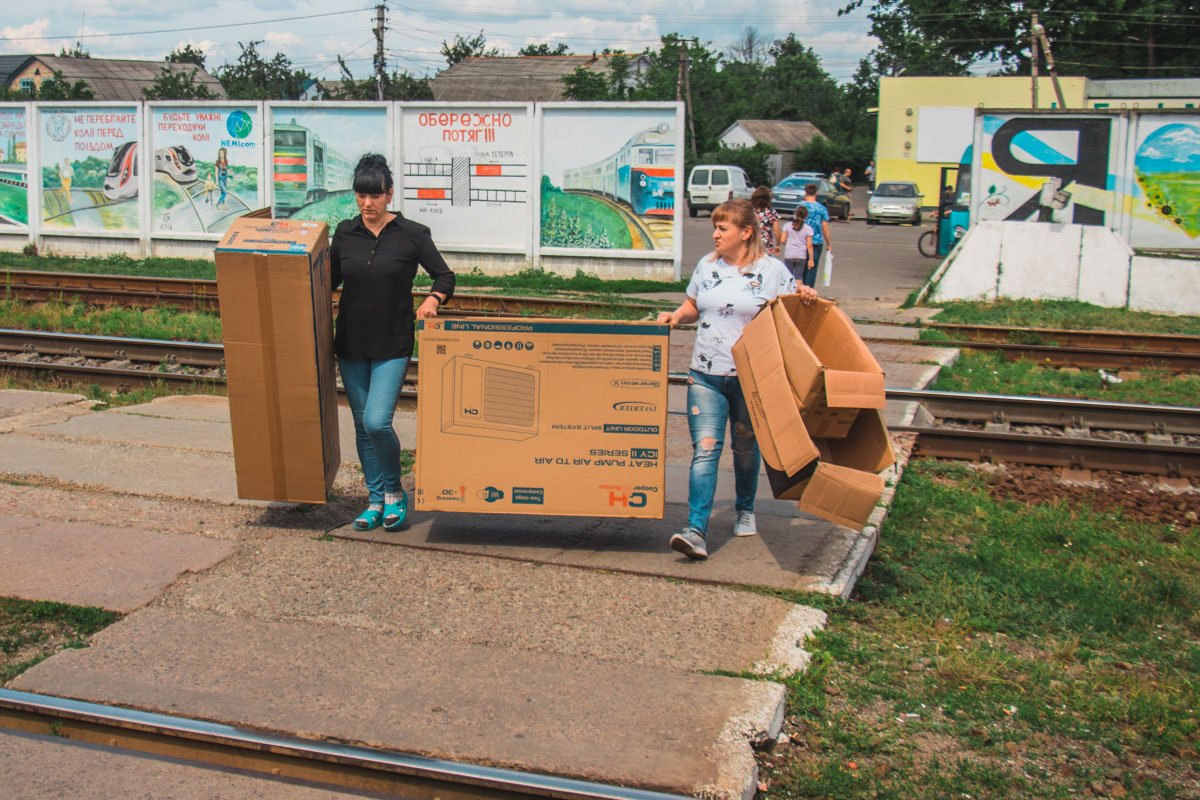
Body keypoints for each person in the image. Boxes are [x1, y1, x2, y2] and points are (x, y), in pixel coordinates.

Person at [656, 198, 818, 561]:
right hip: (704, 377)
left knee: (746, 451)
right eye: (715, 227)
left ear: (745, 233)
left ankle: (745, 508)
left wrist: (806, 294)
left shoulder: (772, 271)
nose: (715, 234)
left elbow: (795, 307)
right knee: (705, 451)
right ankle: (696, 530)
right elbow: (693, 306)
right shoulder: (706, 266)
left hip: (752, 380)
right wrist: (675, 316)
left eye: (722, 228)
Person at [331, 153, 456, 532]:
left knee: (377, 422)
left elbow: (444, 277)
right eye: (360, 196)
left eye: (375, 196)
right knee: (361, 426)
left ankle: (394, 493)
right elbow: (327, 280)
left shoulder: (413, 234)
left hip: (392, 343)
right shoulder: (344, 233)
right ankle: (374, 500)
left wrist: (433, 300)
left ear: (389, 194)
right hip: (350, 343)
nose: (367, 204)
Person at [780, 205, 816, 287]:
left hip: (789, 254)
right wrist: (811, 259)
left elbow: (782, 240)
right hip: (801, 255)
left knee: (788, 277)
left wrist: (790, 242)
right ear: (806, 216)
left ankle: (788, 295)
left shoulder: (787, 226)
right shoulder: (808, 229)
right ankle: (797, 296)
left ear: (795, 214)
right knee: (798, 278)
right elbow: (809, 245)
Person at [800, 183, 833, 272]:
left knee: (799, 271)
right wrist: (829, 244)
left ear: (805, 192)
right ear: (816, 193)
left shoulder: (800, 206)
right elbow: (825, 229)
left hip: (800, 241)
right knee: (811, 269)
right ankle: (809, 285)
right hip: (816, 241)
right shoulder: (822, 208)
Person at [750, 186, 781, 256]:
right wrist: (778, 244)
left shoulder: (750, 211)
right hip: (766, 246)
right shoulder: (771, 212)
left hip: (751, 245)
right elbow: (776, 231)